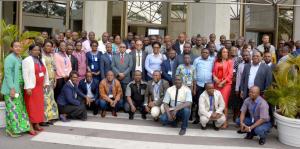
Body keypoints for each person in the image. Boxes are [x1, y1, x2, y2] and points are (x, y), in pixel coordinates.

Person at [1, 41, 31, 137]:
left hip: (19, 88)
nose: (18, 48)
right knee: (12, 109)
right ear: (11, 48)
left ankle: (14, 128)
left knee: (17, 108)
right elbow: (8, 75)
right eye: (16, 46)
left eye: (19, 46)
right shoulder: (9, 58)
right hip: (11, 89)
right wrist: (12, 88)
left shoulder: (19, 58)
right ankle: (13, 130)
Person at [23, 44, 49, 135]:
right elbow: (25, 75)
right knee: (31, 107)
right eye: (34, 50)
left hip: (39, 87)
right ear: (30, 51)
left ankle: (36, 124)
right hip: (31, 87)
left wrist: (46, 83)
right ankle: (30, 125)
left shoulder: (41, 60)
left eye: (38, 50)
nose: (37, 51)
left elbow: (45, 72)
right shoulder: (27, 60)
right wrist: (28, 87)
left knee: (38, 107)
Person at [192, 48, 214, 124]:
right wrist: (194, 87)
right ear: (201, 53)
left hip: (209, 85)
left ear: (209, 53)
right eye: (203, 52)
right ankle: (198, 118)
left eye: (207, 52)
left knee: (209, 102)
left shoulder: (212, 60)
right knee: (199, 102)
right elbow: (194, 72)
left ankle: (210, 118)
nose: (205, 54)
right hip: (199, 84)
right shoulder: (197, 60)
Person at [212, 47, 233, 128]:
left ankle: (225, 123)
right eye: (223, 52)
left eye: (226, 52)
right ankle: (218, 120)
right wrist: (215, 78)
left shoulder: (230, 61)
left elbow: (230, 75)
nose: (225, 53)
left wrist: (222, 82)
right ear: (220, 53)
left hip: (226, 85)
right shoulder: (216, 61)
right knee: (217, 102)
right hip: (217, 84)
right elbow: (213, 71)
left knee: (224, 103)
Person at [42, 40, 59, 126]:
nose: (49, 47)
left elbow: (54, 68)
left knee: (50, 99)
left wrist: (55, 79)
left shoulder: (52, 55)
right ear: (44, 46)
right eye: (47, 46)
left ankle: (50, 117)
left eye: (50, 46)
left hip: (52, 80)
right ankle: (44, 119)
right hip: (44, 81)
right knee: (45, 100)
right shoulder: (41, 56)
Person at [234, 50, 251, 121]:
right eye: (244, 55)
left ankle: (249, 117)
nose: (245, 57)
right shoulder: (240, 65)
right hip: (243, 88)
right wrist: (237, 88)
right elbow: (238, 77)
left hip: (251, 88)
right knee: (242, 103)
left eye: (247, 55)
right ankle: (240, 117)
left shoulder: (253, 64)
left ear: (250, 56)